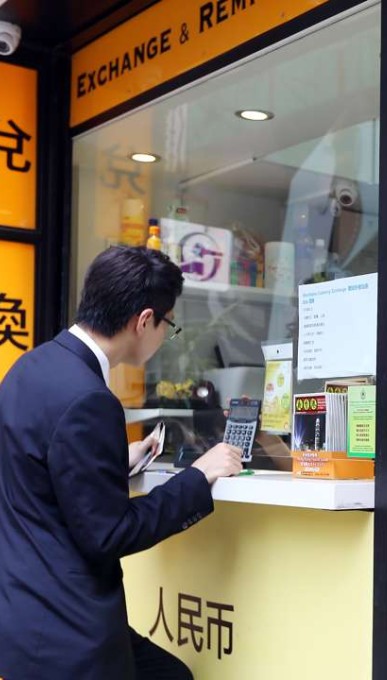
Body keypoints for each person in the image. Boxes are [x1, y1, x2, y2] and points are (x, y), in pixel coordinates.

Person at [0, 246, 243, 680]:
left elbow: (38, 468)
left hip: (23, 614)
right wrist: (198, 476)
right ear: (144, 320)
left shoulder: (29, 366)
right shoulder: (90, 398)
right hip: (68, 633)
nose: (165, 334)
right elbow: (110, 533)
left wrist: (114, 461)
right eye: (168, 323)